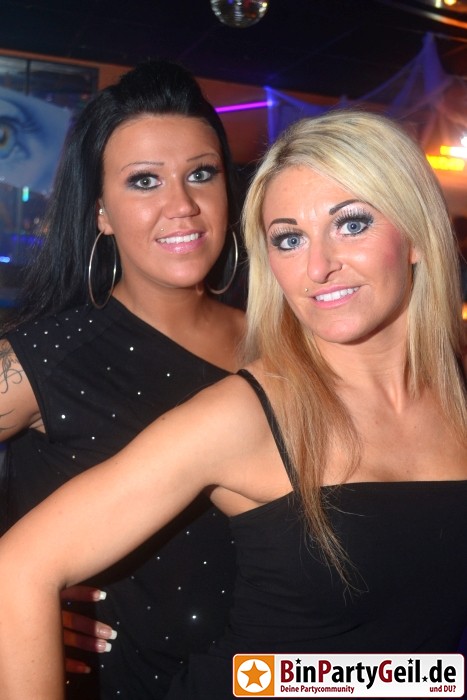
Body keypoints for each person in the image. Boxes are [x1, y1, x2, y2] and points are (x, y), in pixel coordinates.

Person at [0, 108, 466, 700]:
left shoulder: (453, 398)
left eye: (351, 224)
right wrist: (24, 629)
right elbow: (19, 568)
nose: (318, 266)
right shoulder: (241, 411)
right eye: (290, 239)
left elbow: (412, 670)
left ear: (417, 234)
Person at [0, 59, 246, 699]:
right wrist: (13, 600)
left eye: (201, 173)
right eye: (144, 181)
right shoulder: (48, 356)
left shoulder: (288, 341)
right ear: (101, 212)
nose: (182, 205)